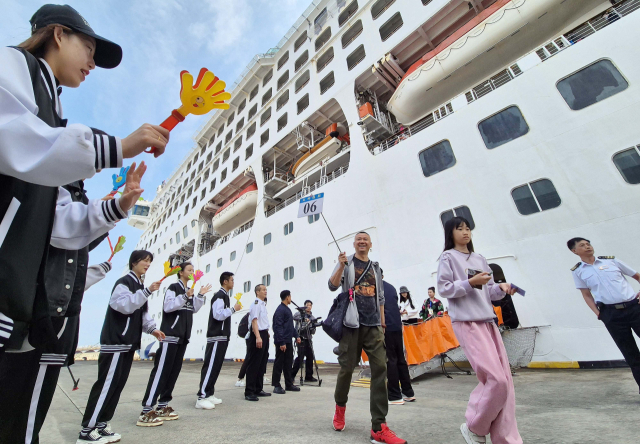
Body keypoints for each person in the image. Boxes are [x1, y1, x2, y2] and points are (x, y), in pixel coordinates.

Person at [0, 4, 168, 358]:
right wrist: (119, 147)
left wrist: (118, 207)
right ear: (59, 34)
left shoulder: (52, 113)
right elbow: (12, 138)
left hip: (15, 302)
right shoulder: (14, 64)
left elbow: (57, 225)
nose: (92, 64)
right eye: (89, 50)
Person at [0, 163, 146, 443]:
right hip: (47, 317)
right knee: (26, 409)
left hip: (59, 315)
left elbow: (76, 249)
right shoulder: (50, 186)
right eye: (145, 262)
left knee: (31, 406)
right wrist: (112, 209)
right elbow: (64, 234)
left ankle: (95, 426)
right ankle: (89, 429)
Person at [437, 217, 520, 444]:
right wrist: (470, 282)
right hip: (468, 323)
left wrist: (501, 288)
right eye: (459, 229)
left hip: (488, 322)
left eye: (467, 228)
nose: (465, 232)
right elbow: (444, 289)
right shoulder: (448, 257)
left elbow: (489, 292)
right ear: (450, 233)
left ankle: (505, 439)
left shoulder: (480, 258)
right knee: (496, 380)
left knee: (506, 384)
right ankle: (475, 426)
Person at [78, 250, 165, 443]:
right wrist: (147, 291)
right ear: (134, 262)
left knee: (116, 386)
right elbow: (121, 305)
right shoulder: (124, 282)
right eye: (144, 260)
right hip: (116, 342)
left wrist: (152, 330)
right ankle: (87, 430)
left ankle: (102, 424)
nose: (147, 264)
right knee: (106, 385)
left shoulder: (139, 285)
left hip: (127, 344)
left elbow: (142, 314)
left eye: (150, 261)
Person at [328, 231, 406, 444]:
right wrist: (340, 266)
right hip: (351, 325)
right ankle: (340, 408)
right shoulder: (347, 263)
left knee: (381, 368)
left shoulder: (375, 268)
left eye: (365, 239)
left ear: (370, 244)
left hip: (373, 326)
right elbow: (332, 285)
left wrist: (382, 324)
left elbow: (380, 298)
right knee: (347, 368)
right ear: (354, 244)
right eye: (358, 239)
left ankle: (378, 426)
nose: (362, 241)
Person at [140, 263, 211, 422]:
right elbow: (168, 307)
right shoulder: (173, 287)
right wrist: (185, 296)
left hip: (183, 337)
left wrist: (199, 295)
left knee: (173, 372)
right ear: (181, 273)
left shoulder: (188, 291)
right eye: (189, 270)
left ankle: (162, 406)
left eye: (193, 270)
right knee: (161, 371)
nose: (192, 272)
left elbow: (193, 309)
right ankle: (147, 409)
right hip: (170, 336)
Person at [568, 237, 640, 392]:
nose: (587, 247)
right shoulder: (578, 271)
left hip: (634, 308)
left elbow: (637, 276)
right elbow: (586, 295)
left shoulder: (612, 261)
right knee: (631, 354)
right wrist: (599, 314)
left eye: (588, 244)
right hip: (611, 315)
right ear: (574, 251)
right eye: (582, 245)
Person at [197, 271, 242, 409]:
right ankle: (202, 396)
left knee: (216, 366)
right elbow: (218, 315)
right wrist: (233, 309)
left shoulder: (225, 296)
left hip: (222, 337)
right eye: (232, 280)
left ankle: (209, 393)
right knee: (210, 366)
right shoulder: (219, 296)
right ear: (225, 282)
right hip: (216, 336)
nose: (233, 282)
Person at [382, 273, 415, 406]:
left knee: (391, 361)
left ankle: (395, 395)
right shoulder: (391, 287)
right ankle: (408, 392)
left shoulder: (374, 289)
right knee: (401, 359)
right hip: (396, 325)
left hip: (386, 327)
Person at [244, 284, 271, 401]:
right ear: (257, 292)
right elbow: (254, 322)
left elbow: (261, 321)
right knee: (254, 363)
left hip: (264, 333)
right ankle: (249, 391)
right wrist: (258, 337)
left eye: (266, 290)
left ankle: (258, 388)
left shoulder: (262, 304)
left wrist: (266, 333)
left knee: (262, 362)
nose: (265, 291)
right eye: (263, 290)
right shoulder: (255, 304)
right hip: (257, 334)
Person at [272, 290, 301, 393]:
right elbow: (277, 326)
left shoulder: (287, 310)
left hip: (288, 340)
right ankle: (276, 385)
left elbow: (290, 327)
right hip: (282, 341)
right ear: (287, 297)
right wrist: (281, 342)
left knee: (288, 363)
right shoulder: (280, 310)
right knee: (279, 363)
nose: (290, 299)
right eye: (290, 296)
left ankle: (289, 384)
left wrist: (296, 336)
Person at [292, 299, 318, 382]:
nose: (308, 307)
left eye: (310, 305)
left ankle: (309, 376)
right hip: (301, 338)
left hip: (308, 339)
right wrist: (303, 318)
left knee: (310, 357)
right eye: (307, 305)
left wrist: (313, 324)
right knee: (300, 357)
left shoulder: (312, 317)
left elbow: (313, 331)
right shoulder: (299, 314)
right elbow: (294, 317)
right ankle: (291, 375)